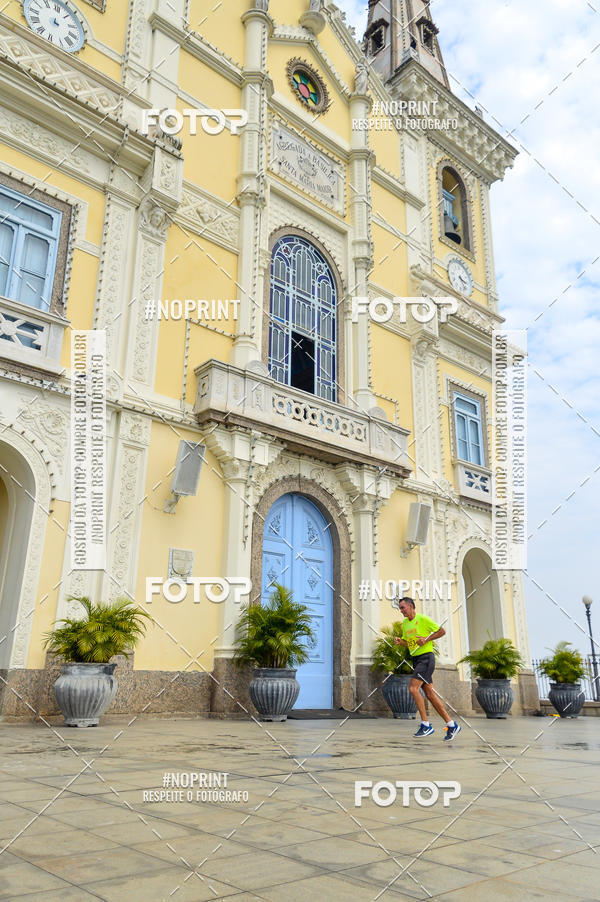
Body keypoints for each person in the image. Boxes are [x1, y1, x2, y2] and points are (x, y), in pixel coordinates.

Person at [393, 596, 461, 741]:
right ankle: (451, 724)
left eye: (403, 608)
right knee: (430, 694)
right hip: (416, 660)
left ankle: (426, 725)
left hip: (426, 658)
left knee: (413, 688)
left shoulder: (423, 619)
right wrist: (401, 642)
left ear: (411, 606)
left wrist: (427, 639)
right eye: (400, 608)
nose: (401, 611)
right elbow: (410, 643)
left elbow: (442, 631)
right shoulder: (405, 623)